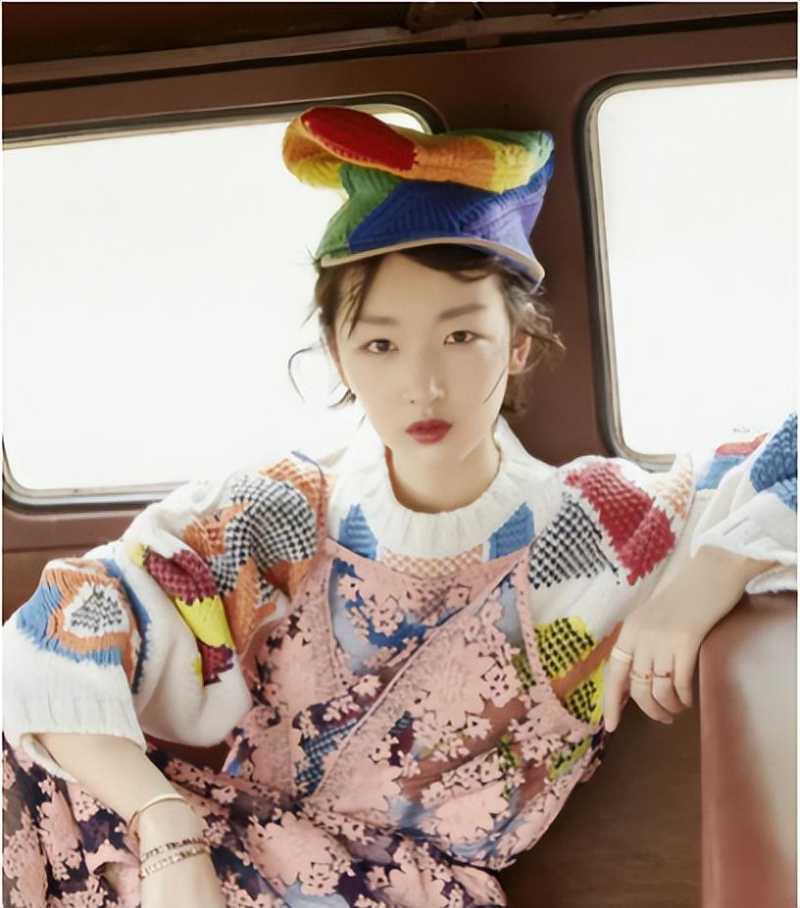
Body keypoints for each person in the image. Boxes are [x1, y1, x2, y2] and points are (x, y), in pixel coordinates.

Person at [2, 106, 796, 908]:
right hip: (218, 859)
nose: (424, 384)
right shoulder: (277, 514)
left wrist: (705, 576)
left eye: (461, 337)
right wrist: (166, 825)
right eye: (381, 345)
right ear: (340, 354)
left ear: (518, 344)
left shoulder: (600, 527)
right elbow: (57, 629)